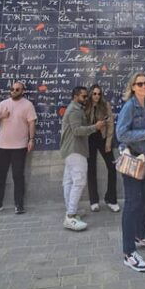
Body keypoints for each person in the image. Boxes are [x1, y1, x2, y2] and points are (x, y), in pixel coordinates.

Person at [116, 72, 145, 272]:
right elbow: (121, 133)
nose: (144, 86)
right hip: (132, 159)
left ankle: (139, 234)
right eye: (140, 84)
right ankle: (128, 252)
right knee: (132, 202)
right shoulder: (130, 106)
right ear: (133, 86)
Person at [0, 82, 37, 216]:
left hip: (19, 147)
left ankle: (19, 204)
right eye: (12, 89)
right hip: (2, 146)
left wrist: (31, 139)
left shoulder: (28, 105)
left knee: (18, 176)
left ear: (22, 91)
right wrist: (2, 116)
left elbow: (31, 123)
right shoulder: (3, 104)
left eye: (17, 89)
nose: (13, 91)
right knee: (0, 177)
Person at [60, 87, 105, 231]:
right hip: (75, 149)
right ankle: (71, 216)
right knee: (79, 181)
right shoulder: (74, 110)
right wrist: (95, 127)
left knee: (69, 181)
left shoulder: (75, 108)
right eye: (84, 96)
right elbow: (77, 130)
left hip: (70, 150)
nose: (87, 99)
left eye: (88, 96)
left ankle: (70, 210)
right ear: (75, 96)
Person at [85, 84, 120, 213]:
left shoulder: (105, 105)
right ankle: (93, 200)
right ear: (90, 94)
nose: (97, 96)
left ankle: (111, 199)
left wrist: (109, 142)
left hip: (102, 138)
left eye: (99, 94)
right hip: (89, 139)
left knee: (112, 167)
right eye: (94, 94)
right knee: (91, 169)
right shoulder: (85, 106)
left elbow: (110, 124)